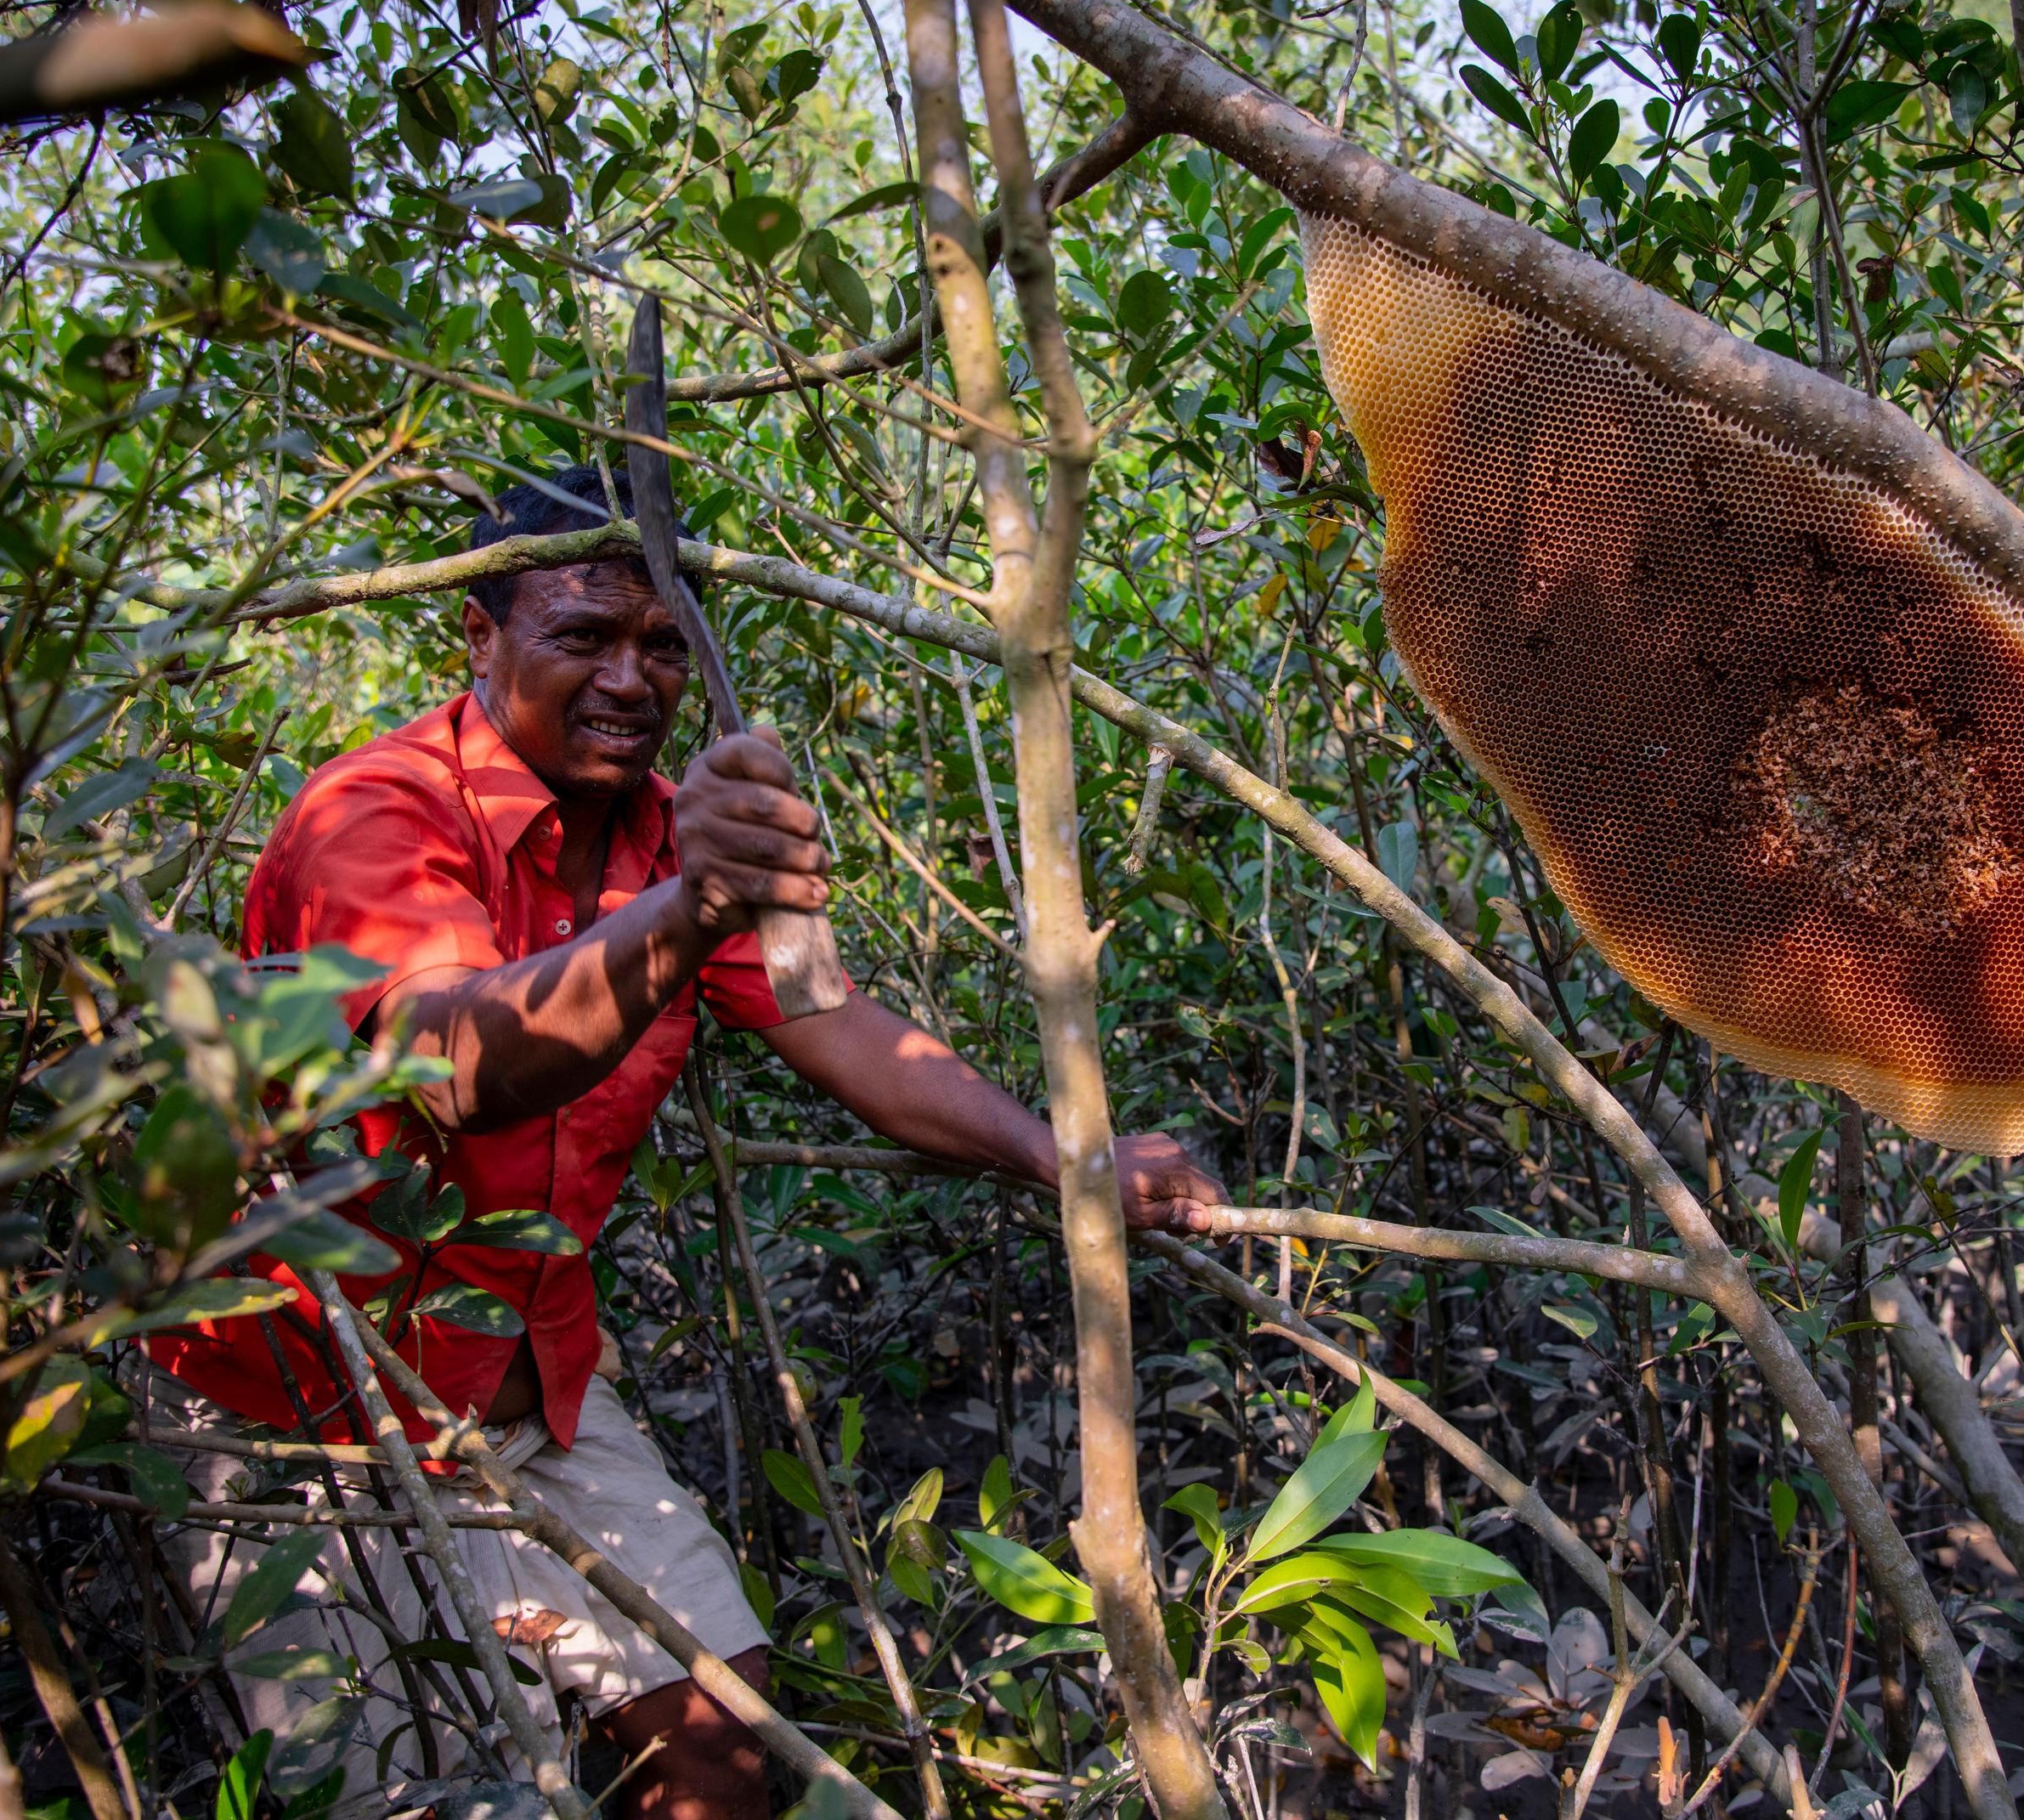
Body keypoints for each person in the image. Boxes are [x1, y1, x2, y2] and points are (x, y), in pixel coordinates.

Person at [140, 463, 1225, 1820]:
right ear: (477, 638)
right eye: (582, 636)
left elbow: (845, 1031)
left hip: (529, 1392)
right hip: (303, 1407)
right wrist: (697, 899)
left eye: (663, 646)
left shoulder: (666, 830)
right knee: (396, 1796)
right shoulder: (380, 810)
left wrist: (1075, 1159)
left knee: (719, 1735)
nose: (629, 680)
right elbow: (455, 1066)